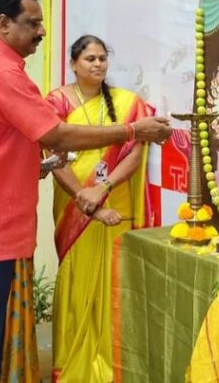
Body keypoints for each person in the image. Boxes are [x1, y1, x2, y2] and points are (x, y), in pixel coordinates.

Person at [0, 0, 172, 383]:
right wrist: (132, 132)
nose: (41, 31)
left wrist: (30, 167)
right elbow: (56, 134)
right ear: (4, 23)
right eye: (32, 23)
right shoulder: (0, 71)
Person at [46, 35, 156, 382]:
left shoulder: (127, 103)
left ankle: (111, 364)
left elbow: (136, 152)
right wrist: (84, 197)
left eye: (102, 58)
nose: (97, 64)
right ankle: (74, 360)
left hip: (115, 204)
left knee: (112, 283)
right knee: (78, 281)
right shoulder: (56, 102)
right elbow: (51, 156)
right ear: (73, 63)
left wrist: (104, 188)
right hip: (74, 208)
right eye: (89, 59)